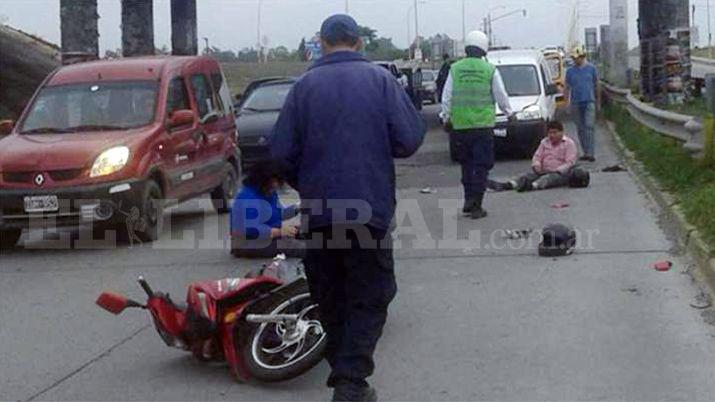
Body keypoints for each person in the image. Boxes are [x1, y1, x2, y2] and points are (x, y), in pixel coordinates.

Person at [271, 14, 425, 402]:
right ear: (359, 43)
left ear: (321, 43)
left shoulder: (303, 87)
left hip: (320, 213)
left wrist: (308, 185)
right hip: (368, 210)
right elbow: (408, 140)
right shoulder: (380, 81)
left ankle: (347, 375)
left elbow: (279, 154)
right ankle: (351, 382)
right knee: (372, 292)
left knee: (330, 294)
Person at [440, 30, 514, 219]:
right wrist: (509, 113)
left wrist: (445, 117)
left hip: (460, 126)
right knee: (481, 165)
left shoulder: (455, 68)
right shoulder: (489, 70)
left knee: (466, 163)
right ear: (484, 48)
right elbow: (500, 95)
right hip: (482, 126)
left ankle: (467, 199)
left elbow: (446, 96)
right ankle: (476, 205)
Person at [229, 161, 304, 259]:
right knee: (297, 247)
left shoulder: (269, 193)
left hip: (268, 237)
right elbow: (252, 229)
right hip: (248, 242)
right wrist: (280, 232)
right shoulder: (248, 198)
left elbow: (278, 214)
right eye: (274, 181)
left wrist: (298, 208)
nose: (276, 185)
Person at [490, 120, 579, 192]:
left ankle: (532, 186)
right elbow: (537, 156)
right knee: (527, 175)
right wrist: (537, 165)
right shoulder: (545, 142)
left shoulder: (569, 143)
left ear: (561, 132)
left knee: (548, 178)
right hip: (543, 170)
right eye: (550, 133)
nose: (552, 135)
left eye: (555, 133)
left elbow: (570, 162)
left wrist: (557, 170)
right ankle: (508, 185)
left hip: (560, 173)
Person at [565, 45, 600, 162]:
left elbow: (596, 85)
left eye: (576, 58)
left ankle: (591, 153)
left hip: (589, 101)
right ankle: (585, 151)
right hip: (576, 102)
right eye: (574, 58)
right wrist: (567, 103)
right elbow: (567, 87)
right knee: (580, 128)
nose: (575, 60)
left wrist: (598, 102)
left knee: (589, 126)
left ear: (582, 57)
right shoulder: (570, 71)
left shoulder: (591, 68)